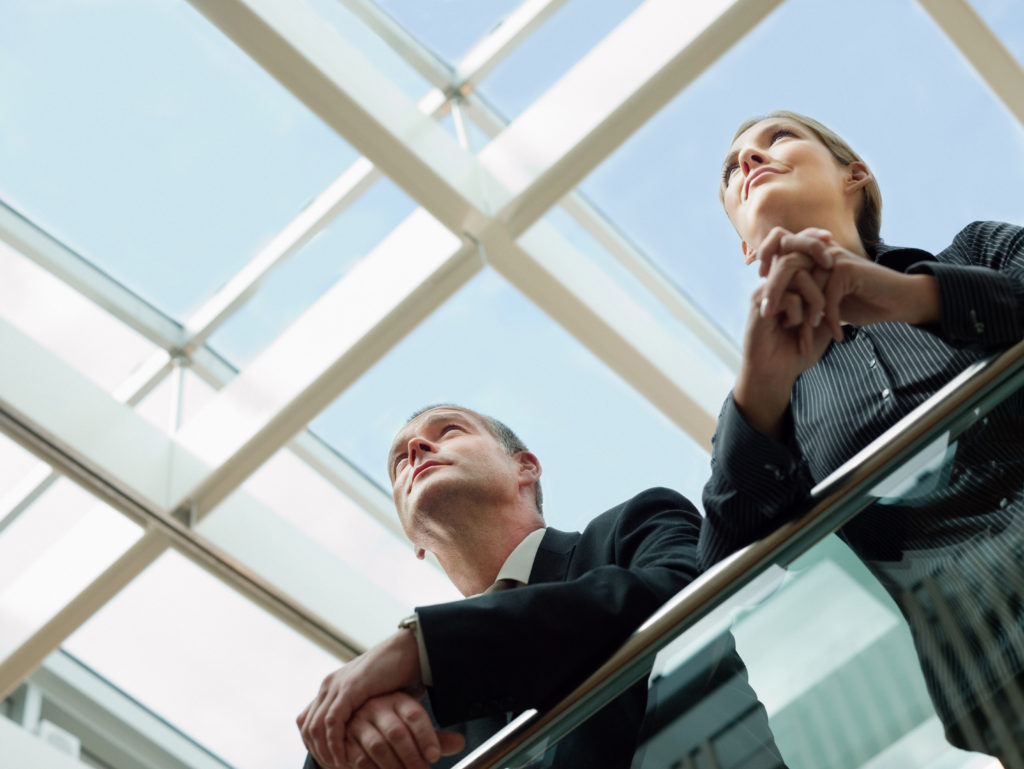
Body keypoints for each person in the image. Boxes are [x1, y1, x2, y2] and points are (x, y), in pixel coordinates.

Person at [698, 110, 1024, 763]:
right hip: (996, 670)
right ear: (743, 244)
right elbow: (723, 583)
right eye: (733, 169)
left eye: (778, 137)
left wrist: (908, 298)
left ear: (856, 175)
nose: (749, 162)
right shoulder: (767, 407)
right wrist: (758, 391)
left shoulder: (976, 250)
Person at [297, 404, 771, 769]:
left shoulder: (636, 524)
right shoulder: (415, 709)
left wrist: (422, 645)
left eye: (449, 430)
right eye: (400, 459)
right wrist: (339, 742)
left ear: (526, 467)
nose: (416, 450)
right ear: (413, 537)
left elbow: (687, 594)